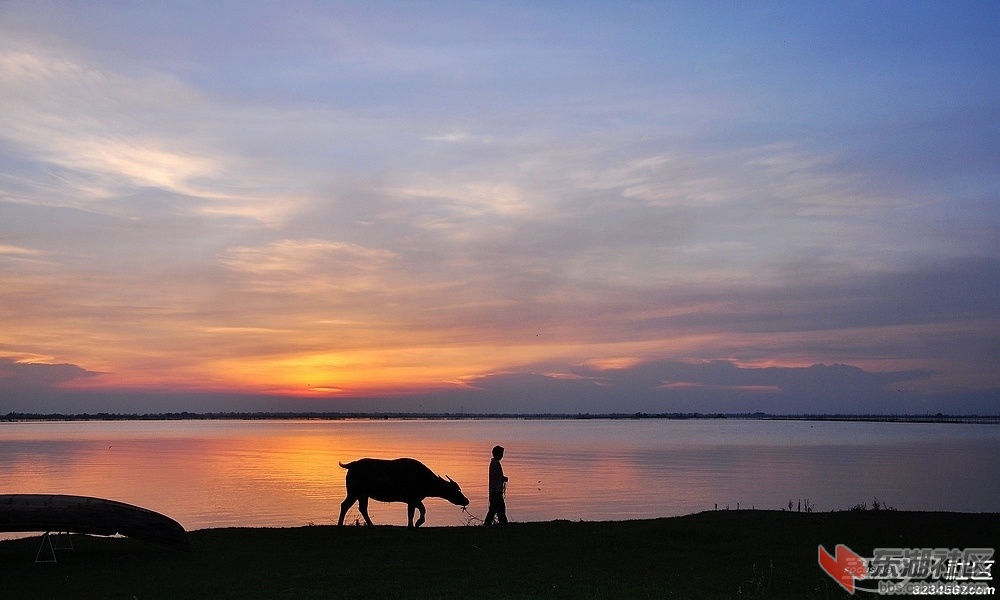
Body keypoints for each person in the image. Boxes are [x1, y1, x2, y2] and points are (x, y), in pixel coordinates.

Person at [483, 445, 508, 526]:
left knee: (494, 510)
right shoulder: (495, 463)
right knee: (498, 509)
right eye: (502, 454)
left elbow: (496, 477)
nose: (502, 456)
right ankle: (503, 525)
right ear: (499, 454)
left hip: (495, 491)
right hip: (496, 492)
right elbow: (495, 477)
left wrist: (503, 478)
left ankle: (489, 525)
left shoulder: (495, 463)